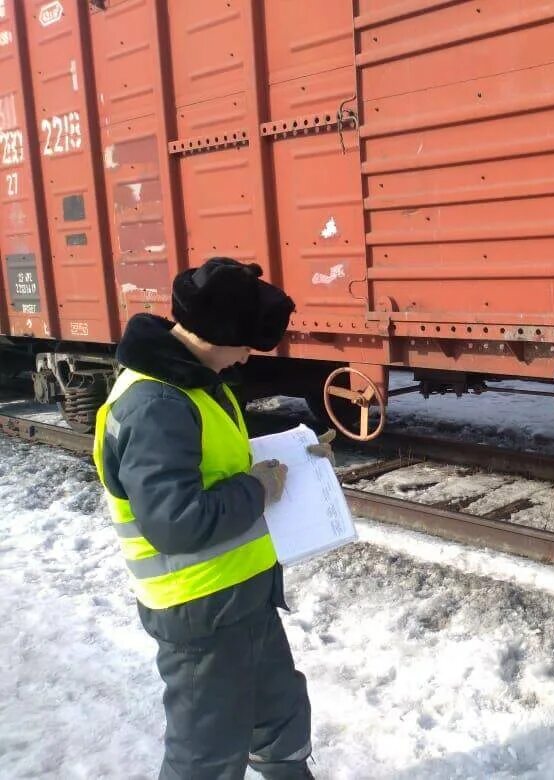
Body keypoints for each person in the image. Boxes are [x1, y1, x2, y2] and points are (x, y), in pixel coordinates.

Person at [91, 258, 333, 778]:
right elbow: (176, 522)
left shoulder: (196, 381)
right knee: (205, 753)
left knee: (280, 716)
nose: (248, 357)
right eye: (246, 344)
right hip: (200, 612)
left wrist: (294, 459)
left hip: (244, 596)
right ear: (220, 334)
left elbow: (216, 462)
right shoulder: (156, 403)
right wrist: (257, 487)